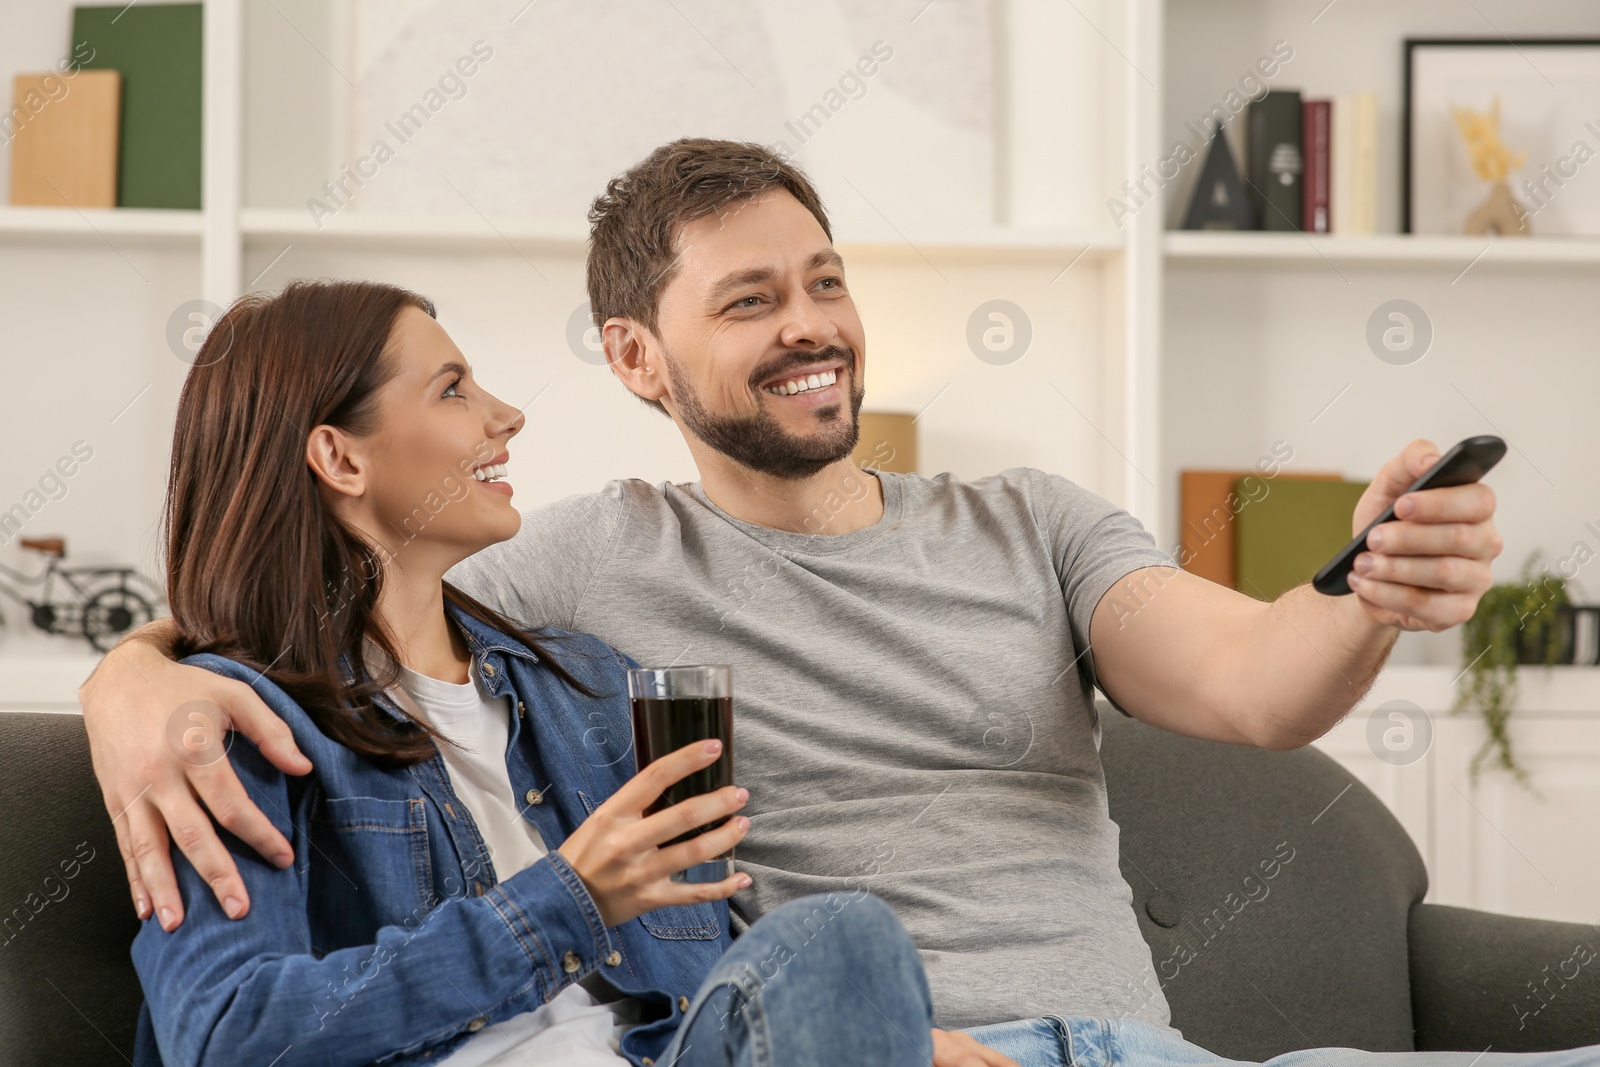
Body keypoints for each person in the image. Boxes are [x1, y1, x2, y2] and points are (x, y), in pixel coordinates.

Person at [86, 142, 1597, 1065]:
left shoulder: (1036, 521)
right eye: (750, 300)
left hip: (1141, 1049)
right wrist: (136, 678)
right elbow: (315, 614)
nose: (811, 325)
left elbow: (1261, 682)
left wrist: (1368, 588)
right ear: (637, 358)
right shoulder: (576, 575)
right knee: (844, 944)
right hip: (865, 1033)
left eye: (824, 280)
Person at [126, 278, 1009, 1067]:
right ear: (342, 458)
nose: (506, 416)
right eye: (453, 390)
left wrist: (862, 1026)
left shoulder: (585, 685)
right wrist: (566, 898)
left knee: (839, 938)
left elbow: (709, 969)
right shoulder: (230, 725)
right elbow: (226, 1033)